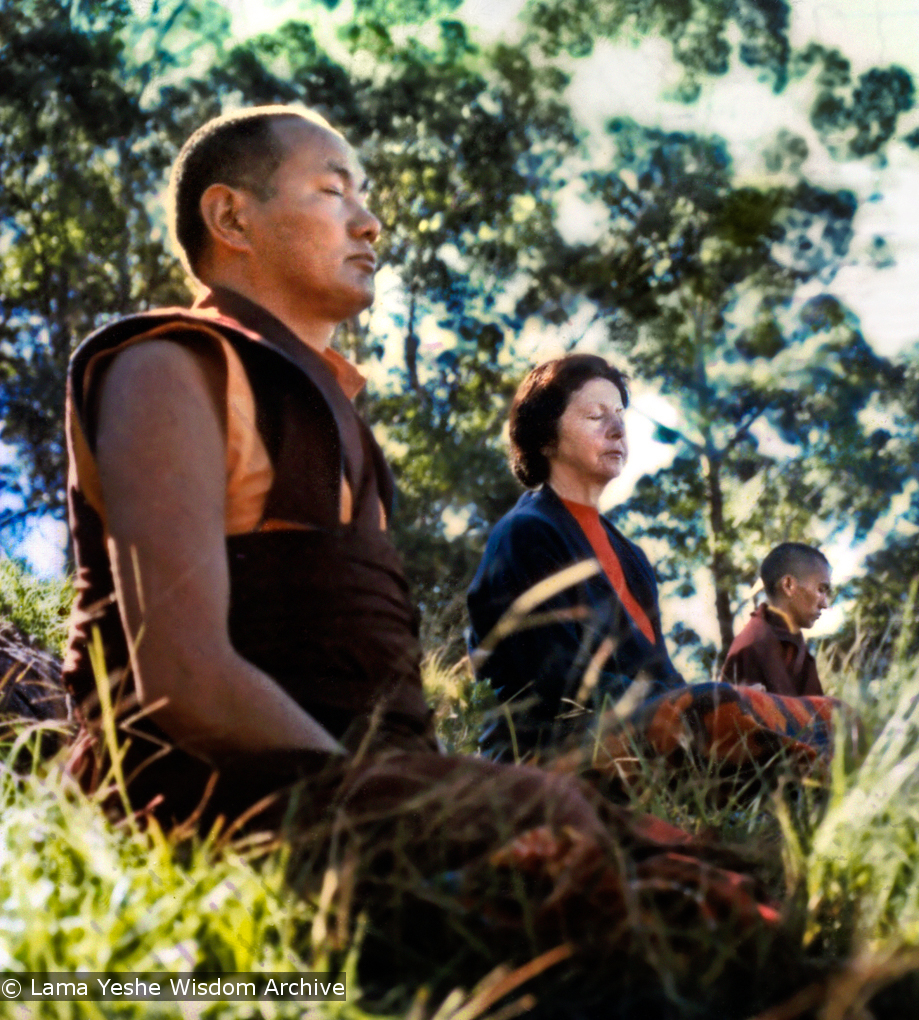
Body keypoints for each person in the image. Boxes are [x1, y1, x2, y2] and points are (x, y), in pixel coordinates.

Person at [59, 106, 802, 1006]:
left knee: (708, 883)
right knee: (586, 862)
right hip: (225, 799)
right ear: (231, 219)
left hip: (368, 793)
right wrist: (428, 804)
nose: (368, 221)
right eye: (333, 191)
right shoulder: (169, 365)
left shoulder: (342, 425)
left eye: (364, 197)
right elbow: (183, 676)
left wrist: (433, 791)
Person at [467, 355, 839, 780]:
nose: (617, 429)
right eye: (594, 415)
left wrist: (714, 696)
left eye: (620, 416)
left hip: (647, 729)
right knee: (723, 715)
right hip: (547, 752)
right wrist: (703, 701)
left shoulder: (632, 558)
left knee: (834, 716)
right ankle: (817, 800)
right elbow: (561, 684)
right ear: (546, 438)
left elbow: (661, 672)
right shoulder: (526, 534)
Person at [721, 544, 831, 697]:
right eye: (820, 590)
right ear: (788, 585)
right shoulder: (751, 645)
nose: (825, 604)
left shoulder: (797, 647)